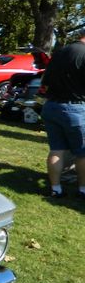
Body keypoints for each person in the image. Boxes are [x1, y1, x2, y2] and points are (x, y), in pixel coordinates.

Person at [40, 29, 85, 199]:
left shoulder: (61, 51)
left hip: (51, 106)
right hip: (74, 108)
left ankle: (56, 188)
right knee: (82, 153)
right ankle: (83, 189)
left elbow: (45, 80)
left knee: (56, 150)